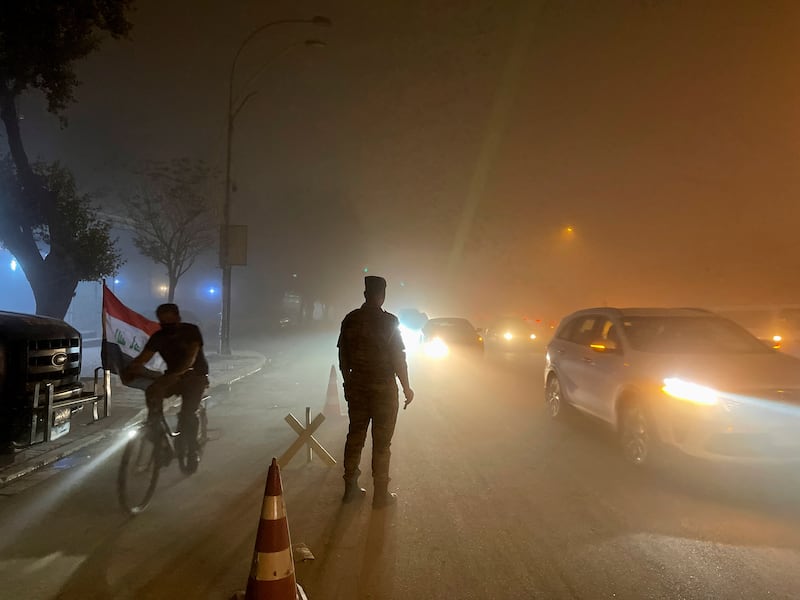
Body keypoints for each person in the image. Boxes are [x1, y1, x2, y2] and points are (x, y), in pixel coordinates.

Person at [338, 276, 414, 508]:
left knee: (355, 437)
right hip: (383, 391)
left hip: (358, 389)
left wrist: (348, 382)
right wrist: (406, 387)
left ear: (364, 294)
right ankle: (380, 495)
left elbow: (343, 358)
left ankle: (350, 488)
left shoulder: (350, 320)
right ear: (382, 296)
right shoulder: (390, 322)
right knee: (382, 444)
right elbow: (398, 358)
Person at [121, 303, 209, 472]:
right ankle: (157, 431)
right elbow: (143, 358)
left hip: (195, 376)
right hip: (172, 377)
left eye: (170, 320)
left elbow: (191, 356)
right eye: (163, 321)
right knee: (153, 391)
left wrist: (176, 374)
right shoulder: (159, 337)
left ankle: (192, 450)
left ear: (178, 318)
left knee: (187, 414)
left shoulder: (191, 331)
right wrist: (131, 369)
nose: (167, 325)